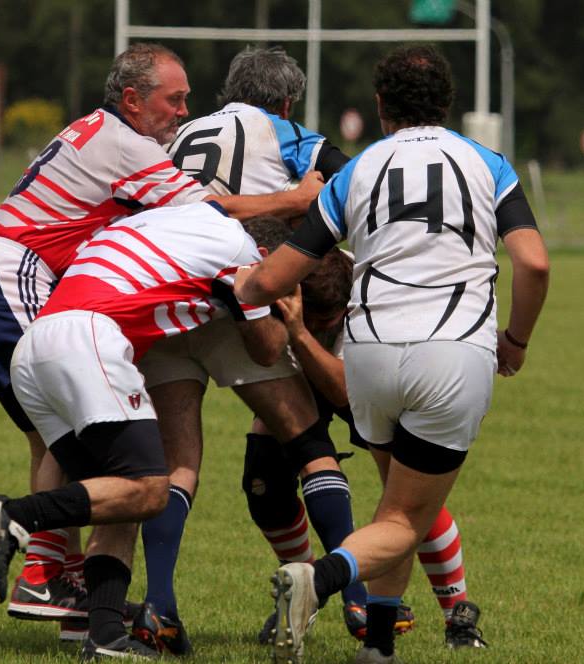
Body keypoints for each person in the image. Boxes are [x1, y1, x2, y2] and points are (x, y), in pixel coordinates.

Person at [0, 42, 320, 639]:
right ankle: (41, 565)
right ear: (133, 99)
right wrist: (296, 200)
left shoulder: (96, 132)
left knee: (60, 438)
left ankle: (81, 605)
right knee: (102, 453)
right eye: (175, 99)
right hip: (11, 275)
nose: (184, 110)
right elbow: (212, 207)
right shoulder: (127, 144)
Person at [234, 45, 550, 664]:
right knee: (406, 519)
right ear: (447, 104)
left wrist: (240, 285)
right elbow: (533, 261)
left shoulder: (360, 169)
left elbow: (281, 271)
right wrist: (515, 341)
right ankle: (318, 580)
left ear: (381, 106)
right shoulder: (486, 162)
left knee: (391, 506)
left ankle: (377, 647)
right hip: (451, 352)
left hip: (369, 355)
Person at [0, 200, 288, 660]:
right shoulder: (241, 250)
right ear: (263, 253)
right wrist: (286, 310)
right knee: (152, 490)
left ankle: (104, 636)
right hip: (88, 340)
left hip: (37, 345)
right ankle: (13, 516)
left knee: (116, 499)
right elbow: (267, 349)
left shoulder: (166, 221)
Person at [125, 47, 364, 653]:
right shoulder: (278, 128)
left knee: (178, 461)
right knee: (307, 438)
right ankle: (357, 598)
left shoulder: (174, 134)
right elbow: (353, 178)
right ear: (285, 103)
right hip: (239, 291)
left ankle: (161, 609)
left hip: (165, 296)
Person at [252, 241, 486, 649]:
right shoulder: (290, 274)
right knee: (263, 484)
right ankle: (305, 592)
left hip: (362, 374)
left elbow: (344, 391)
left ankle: (457, 618)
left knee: (412, 496)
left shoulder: (366, 299)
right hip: (292, 376)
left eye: (327, 318)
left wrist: (301, 332)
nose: (322, 322)